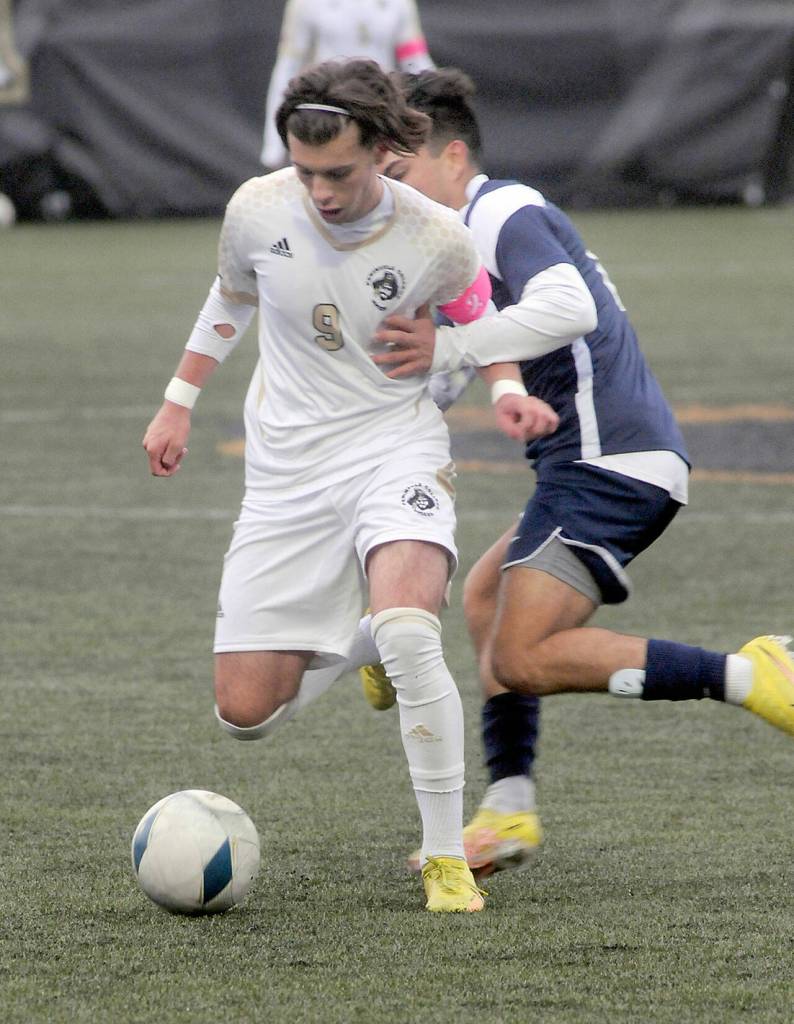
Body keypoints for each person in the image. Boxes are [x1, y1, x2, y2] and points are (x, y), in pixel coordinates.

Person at [142, 58, 557, 913]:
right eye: (306, 172)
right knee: (244, 714)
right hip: (285, 473)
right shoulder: (258, 210)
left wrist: (508, 391)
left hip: (392, 448)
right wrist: (178, 404)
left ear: (382, 150)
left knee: (413, 629)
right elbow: (230, 298)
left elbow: (478, 314)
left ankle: (445, 859)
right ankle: (362, 641)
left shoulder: (437, 233)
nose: (321, 192)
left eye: (339, 172)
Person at [364, 67, 794, 878]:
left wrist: (450, 348)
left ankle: (750, 675)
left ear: (454, 157)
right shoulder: (459, 252)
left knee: (524, 654)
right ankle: (511, 807)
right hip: (592, 462)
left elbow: (570, 307)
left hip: (611, 462)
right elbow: (458, 368)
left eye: (402, 174)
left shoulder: (498, 209)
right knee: (490, 600)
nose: (394, 197)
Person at [260, 0, 434, 169]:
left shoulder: (399, 3)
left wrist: (446, 102)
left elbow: (416, 60)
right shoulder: (305, 3)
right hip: (328, 113)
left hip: (379, 111)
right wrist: (274, 146)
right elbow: (288, 67)